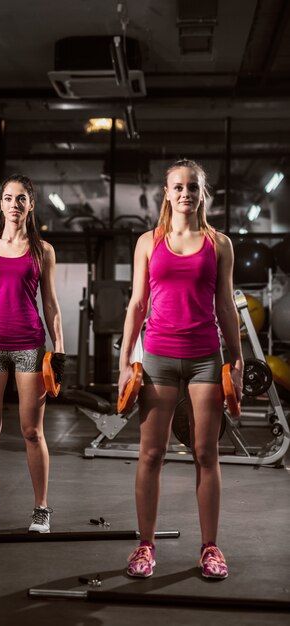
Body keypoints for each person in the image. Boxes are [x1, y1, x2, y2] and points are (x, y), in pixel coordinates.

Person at [118, 159, 243, 579]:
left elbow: (225, 305)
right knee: (151, 453)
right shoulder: (148, 242)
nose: (185, 193)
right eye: (178, 187)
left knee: (206, 453)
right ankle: (145, 546)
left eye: (193, 187)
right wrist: (124, 362)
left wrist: (237, 359)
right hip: (156, 358)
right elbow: (137, 305)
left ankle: (210, 547)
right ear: (166, 193)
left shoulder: (219, 243)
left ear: (202, 193)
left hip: (206, 357)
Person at [0, 174, 65, 534]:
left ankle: (41, 509)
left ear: (31, 205)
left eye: (22, 199)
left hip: (30, 347)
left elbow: (50, 305)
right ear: (0, 203)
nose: (14, 205)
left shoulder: (42, 250)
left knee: (31, 430)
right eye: (8, 198)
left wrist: (60, 351)